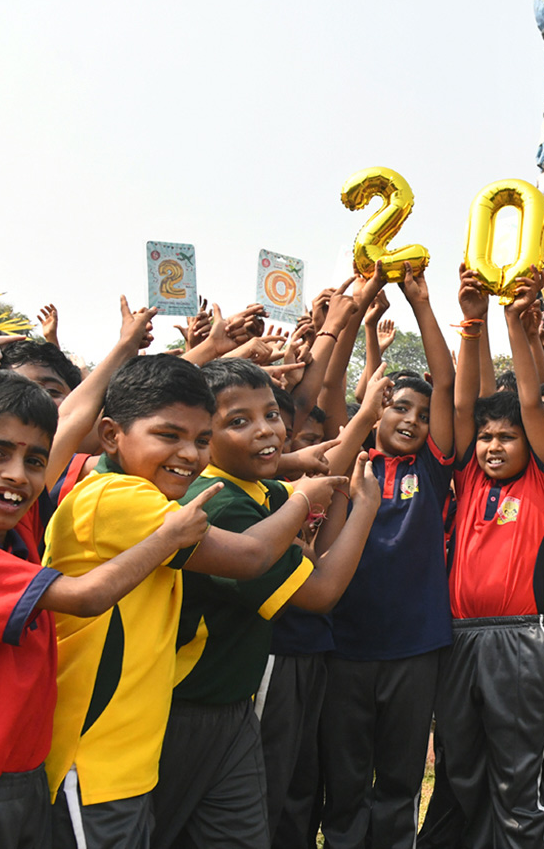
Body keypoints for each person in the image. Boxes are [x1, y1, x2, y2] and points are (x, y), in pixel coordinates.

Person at [44, 354, 338, 849]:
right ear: (112, 434)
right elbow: (251, 555)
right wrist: (303, 500)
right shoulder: (117, 499)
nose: (190, 454)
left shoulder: (149, 497)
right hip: (91, 760)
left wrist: (289, 476)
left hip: (133, 757)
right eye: (169, 436)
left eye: (202, 440)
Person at [0, 370, 216, 849]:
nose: (18, 473)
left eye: (33, 461)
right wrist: (169, 538)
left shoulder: (13, 530)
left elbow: (69, 422)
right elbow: (85, 596)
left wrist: (126, 348)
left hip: (24, 777)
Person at [150, 358, 383, 849]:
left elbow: (310, 478)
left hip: (230, 706)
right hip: (188, 708)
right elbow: (320, 593)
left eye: (271, 415)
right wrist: (364, 508)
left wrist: (309, 463)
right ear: (201, 436)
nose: (265, 431)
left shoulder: (250, 488)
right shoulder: (220, 503)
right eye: (239, 421)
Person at [319, 263, 456, 849]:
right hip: (345, 646)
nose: (414, 420)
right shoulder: (348, 461)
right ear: (376, 409)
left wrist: (422, 303)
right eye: (401, 407)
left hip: (415, 649)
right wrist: (364, 308)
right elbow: (331, 398)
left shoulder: (431, 464)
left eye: (423, 416)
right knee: (345, 782)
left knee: (400, 781)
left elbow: (446, 383)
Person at [433, 264, 544, 847]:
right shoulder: (466, 476)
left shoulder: (541, 477)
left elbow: (532, 404)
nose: (491, 446)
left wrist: (513, 324)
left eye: (504, 438)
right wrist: (470, 321)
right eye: (486, 438)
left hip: (521, 639)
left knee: (518, 778)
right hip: (460, 636)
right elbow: (464, 409)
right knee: (460, 770)